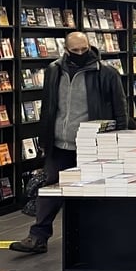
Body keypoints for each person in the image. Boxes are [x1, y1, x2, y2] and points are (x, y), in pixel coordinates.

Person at [10, 31, 127, 254]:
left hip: (92, 144)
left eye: (85, 49)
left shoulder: (106, 74)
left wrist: (119, 139)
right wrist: (45, 138)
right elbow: (48, 106)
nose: (81, 53)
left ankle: (100, 237)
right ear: (66, 50)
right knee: (50, 187)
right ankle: (38, 237)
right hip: (59, 143)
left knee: (95, 191)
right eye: (76, 51)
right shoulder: (53, 71)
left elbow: (120, 109)